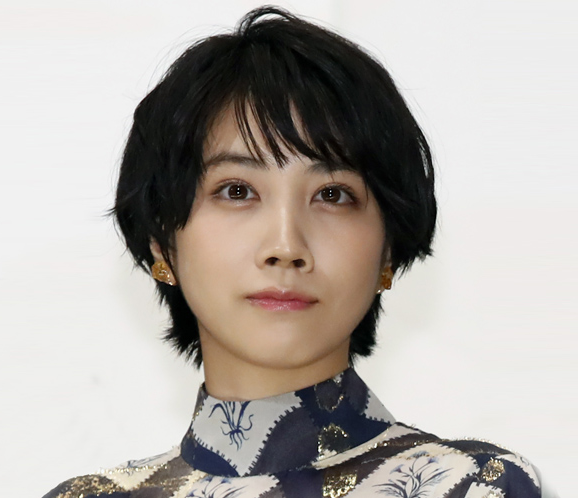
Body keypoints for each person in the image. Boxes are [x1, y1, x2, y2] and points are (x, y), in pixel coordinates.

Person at [43, 6, 552, 498]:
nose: (286, 247)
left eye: (332, 194)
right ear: (161, 241)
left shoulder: (474, 486)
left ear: (388, 251)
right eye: (237, 191)